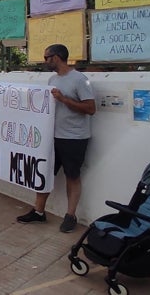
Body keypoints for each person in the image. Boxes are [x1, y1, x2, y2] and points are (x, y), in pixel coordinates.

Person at [16, 44, 96, 233]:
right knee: (44, 173)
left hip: (74, 138)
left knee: (72, 176)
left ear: (57, 57)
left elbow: (90, 109)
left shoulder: (80, 80)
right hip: (53, 136)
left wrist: (63, 99)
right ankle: (39, 212)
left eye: (46, 57)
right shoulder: (52, 78)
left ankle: (70, 216)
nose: (44, 61)